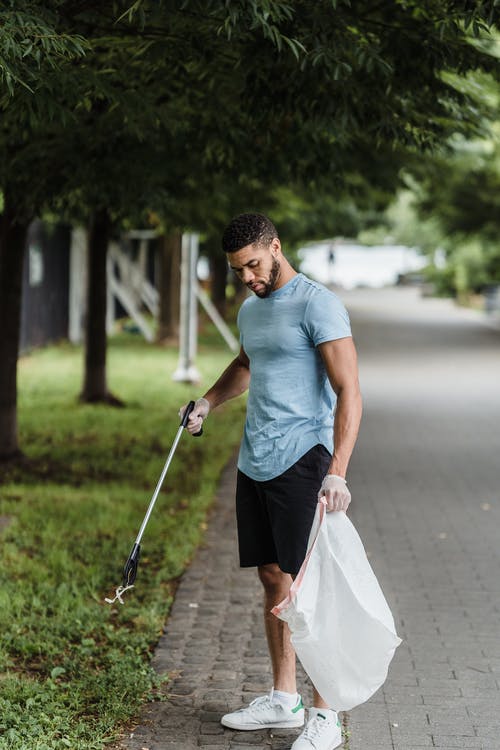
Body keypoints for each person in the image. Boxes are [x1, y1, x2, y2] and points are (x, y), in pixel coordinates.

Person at [180, 213, 362, 750]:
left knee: (311, 585)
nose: (249, 279)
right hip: (256, 458)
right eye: (239, 271)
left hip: (305, 460)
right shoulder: (250, 309)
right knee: (272, 577)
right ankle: (285, 701)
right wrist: (207, 403)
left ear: (276, 247)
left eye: (254, 266)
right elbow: (246, 362)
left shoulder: (318, 304)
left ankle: (326, 714)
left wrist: (338, 471)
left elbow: (349, 390)